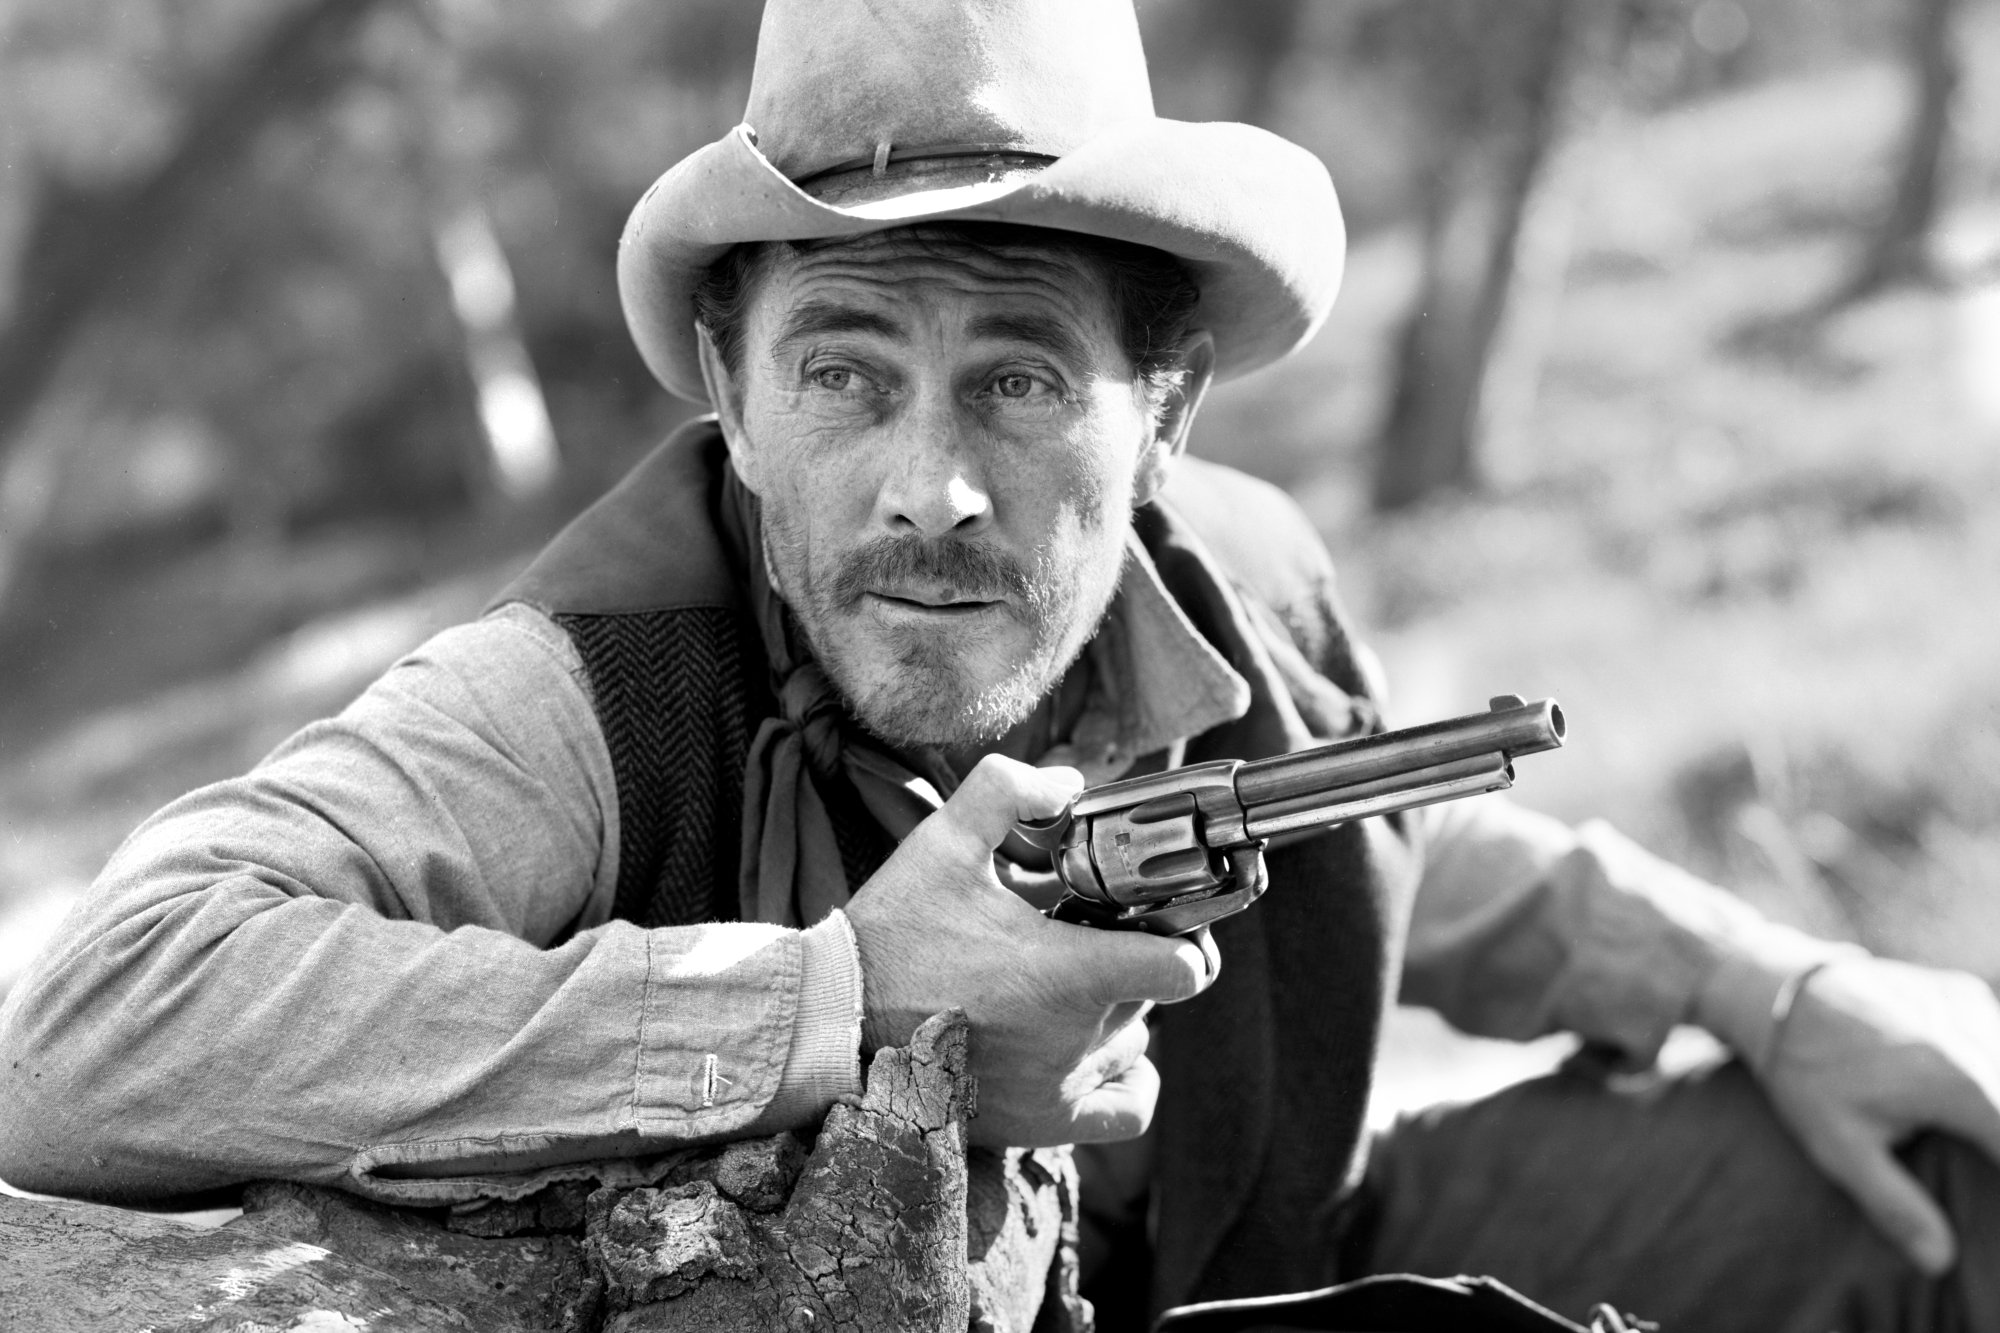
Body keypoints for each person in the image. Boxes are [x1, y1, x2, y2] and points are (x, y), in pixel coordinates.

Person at [3, 1, 1997, 1328]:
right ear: (733, 389)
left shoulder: (1230, 583)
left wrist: (1782, 980)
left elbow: (1387, 855)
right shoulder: (585, 702)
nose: (932, 487)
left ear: (1166, 404)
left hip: (1275, 1251)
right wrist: (836, 996)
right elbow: (90, 1034)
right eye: (847, 373)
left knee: (1936, 1176)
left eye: (1021, 378)